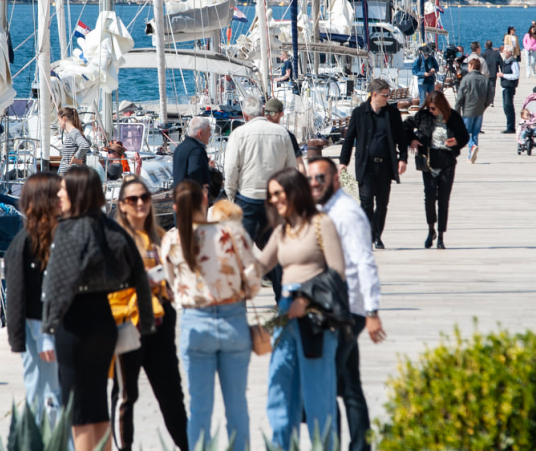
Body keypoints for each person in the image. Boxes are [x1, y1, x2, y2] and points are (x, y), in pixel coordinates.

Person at [41, 166, 153, 451]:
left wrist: (47, 327)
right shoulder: (111, 228)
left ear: (77, 193)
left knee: (75, 405)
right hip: (104, 322)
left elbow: (57, 284)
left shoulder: (69, 229)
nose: (59, 194)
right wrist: (147, 321)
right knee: (97, 401)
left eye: (64, 189)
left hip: (74, 323)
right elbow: (139, 274)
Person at [161, 181, 261, 451]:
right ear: (205, 199)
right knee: (237, 406)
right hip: (233, 321)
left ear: (175, 207)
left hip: (195, 323)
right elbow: (254, 280)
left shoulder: (171, 240)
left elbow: (171, 284)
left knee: (199, 408)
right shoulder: (231, 232)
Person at [254, 169, 347, 451]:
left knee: (318, 395)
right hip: (284, 313)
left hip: (314, 316)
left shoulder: (321, 223)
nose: (275, 200)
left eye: (278, 193)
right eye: (271, 196)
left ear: (295, 191)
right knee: (279, 390)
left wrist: (304, 301)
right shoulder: (282, 230)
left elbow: (338, 272)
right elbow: (260, 267)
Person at [309, 158, 384, 451]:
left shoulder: (347, 213)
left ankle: (335, 444)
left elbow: (365, 262)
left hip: (349, 310)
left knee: (327, 381)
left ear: (336, 181)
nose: (314, 183)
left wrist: (372, 311)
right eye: (311, 178)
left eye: (321, 178)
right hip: (334, 306)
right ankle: (359, 445)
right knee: (349, 383)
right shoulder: (319, 210)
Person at [109, 177, 188, 451]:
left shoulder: (161, 236)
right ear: (122, 205)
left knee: (171, 393)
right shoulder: (115, 239)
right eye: (133, 199)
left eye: (144, 197)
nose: (140, 203)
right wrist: (139, 279)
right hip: (129, 321)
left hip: (161, 319)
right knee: (126, 394)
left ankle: (186, 445)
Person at [5, 172, 63, 416]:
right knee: (45, 396)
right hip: (39, 330)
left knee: (51, 394)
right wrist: (41, 337)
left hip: (48, 328)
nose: (63, 197)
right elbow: (19, 296)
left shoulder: (52, 237)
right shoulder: (25, 244)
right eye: (58, 193)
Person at [339, 79, 409, 250]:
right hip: (366, 165)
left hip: (385, 165)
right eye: (385, 95)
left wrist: (403, 159)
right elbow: (349, 140)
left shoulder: (392, 113)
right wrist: (343, 162)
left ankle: (377, 235)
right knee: (366, 202)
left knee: (382, 203)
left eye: (388, 94)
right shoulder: (359, 113)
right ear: (375, 95)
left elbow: (401, 138)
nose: (388, 98)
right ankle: (367, 235)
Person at [224, 95, 297, 251]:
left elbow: (230, 170)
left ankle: (246, 275)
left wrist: (231, 196)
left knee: (242, 250)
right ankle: (275, 276)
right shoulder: (282, 133)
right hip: (274, 198)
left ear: (244, 115)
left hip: (246, 197)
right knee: (275, 248)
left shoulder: (238, 134)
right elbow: (292, 169)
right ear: (263, 110)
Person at [405, 91, 469, 249]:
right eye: (429, 107)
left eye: (433, 108)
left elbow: (464, 136)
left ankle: (441, 236)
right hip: (429, 161)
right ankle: (431, 229)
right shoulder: (423, 115)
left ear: (441, 106)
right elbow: (405, 126)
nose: (431, 110)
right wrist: (412, 139)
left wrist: (456, 142)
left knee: (443, 200)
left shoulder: (453, 117)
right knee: (429, 198)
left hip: (447, 161)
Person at [173, 116, 218, 200]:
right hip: (193, 204)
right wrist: (202, 191)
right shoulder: (196, 150)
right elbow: (194, 172)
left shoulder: (179, 148)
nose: (210, 135)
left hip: (179, 201)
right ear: (200, 133)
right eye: (209, 131)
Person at [455, 59, 489, 163]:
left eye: (469, 66)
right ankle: (471, 154)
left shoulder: (466, 79)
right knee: (475, 133)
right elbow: (490, 95)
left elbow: (460, 96)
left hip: (468, 109)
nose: (467, 68)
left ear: (472, 66)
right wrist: (484, 105)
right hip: (480, 109)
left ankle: (472, 146)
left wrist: (457, 111)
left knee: (465, 133)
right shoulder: (484, 79)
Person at [265, 98, 306, 172]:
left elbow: (299, 164)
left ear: (281, 114)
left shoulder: (288, 136)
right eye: (266, 112)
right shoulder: (258, 134)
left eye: (272, 113)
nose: (268, 115)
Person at [57, 107, 91, 175]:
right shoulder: (72, 133)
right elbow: (88, 143)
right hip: (70, 176)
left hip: (72, 176)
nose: (59, 123)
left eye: (59, 120)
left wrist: (76, 157)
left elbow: (85, 145)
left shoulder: (74, 132)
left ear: (64, 119)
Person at [498, 46, 521, 134]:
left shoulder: (513, 62)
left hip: (510, 87)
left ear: (510, 52)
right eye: (503, 51)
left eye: (505, 51)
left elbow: (516, 75)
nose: (503, 52)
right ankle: (509, 125)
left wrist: (503, 75)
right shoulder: (506, 61)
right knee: (505, 107)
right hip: (504, 87)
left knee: (509, 106)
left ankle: (511, 127)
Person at [482, 40, 502, 111]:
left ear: (485, 46)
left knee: (485, 87)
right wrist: (502, 72)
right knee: (492, 87)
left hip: (485, 73)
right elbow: (501, 63)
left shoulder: (483, 54)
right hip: (494, 72)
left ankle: (485, 100)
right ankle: (491, 101)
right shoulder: (496, 53)